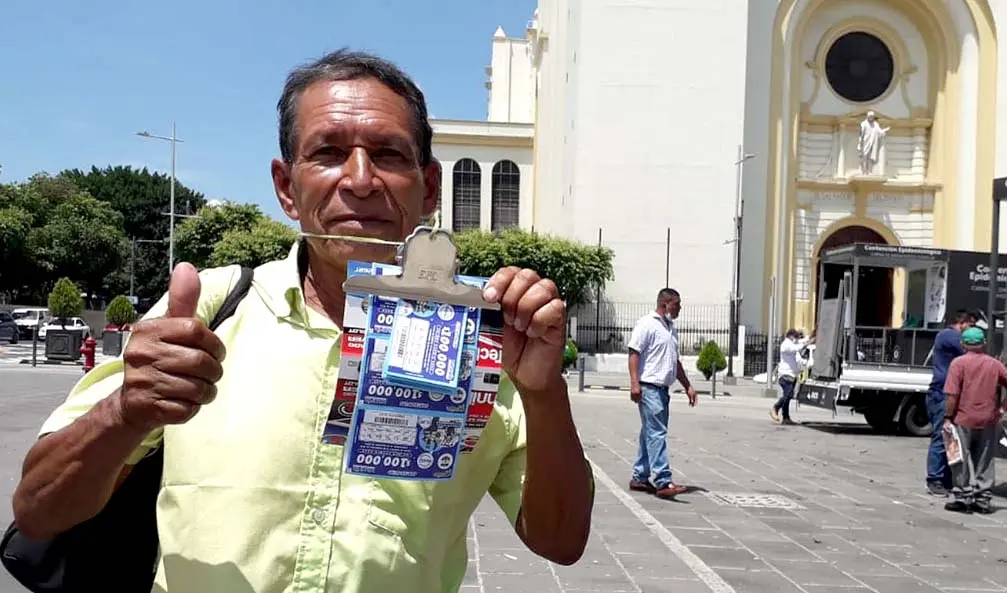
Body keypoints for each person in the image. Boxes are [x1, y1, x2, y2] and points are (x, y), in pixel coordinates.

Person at [11, 49, 594, 593]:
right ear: (287, 188)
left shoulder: (489, 337)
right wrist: (125, 411)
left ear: (430, 188)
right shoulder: (210, 311)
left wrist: (544, 393)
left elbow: (561, 543)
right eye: (328, 153)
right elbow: (39, 509)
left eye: (389, 154)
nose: (360, 179)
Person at [627, 288, 697, 500]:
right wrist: (634, 383)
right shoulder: (647, 324)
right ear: (666, 304)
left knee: (650, 432)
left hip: (663, 390)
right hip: (649, 387)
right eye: (677, 305)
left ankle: (640, 476)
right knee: (657, 432)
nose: (679, 309)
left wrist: (687, 385)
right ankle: (663, 480)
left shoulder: (669, 328)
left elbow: (675, 362)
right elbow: (634, 353)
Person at [941, 327, 1007, 514]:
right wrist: (1002, 408)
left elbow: (952, 395)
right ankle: (983, 499)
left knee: (959, 458)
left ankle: (962, 497)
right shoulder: (994, 364)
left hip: (962, 418)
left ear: (963, 344)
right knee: (985, 460)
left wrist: (947, 417)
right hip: (988, 419)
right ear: (983, 343)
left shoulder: (958, 364)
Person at [926, 310, 974, 496]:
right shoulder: (949, 335)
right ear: (962, 322)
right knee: (941, 436)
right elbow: (969, 348)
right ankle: (934, 479)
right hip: (942, 393)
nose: (971, 331)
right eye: (971, 325)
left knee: (949, 437)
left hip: (946, 392)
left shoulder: (947, 336)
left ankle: (945, 478)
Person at [770, 329, 812, 425]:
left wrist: (811, 337)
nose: (796, 339)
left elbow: (802, 341)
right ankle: (776, 407)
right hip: (785, 375)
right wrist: (808, 342)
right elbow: (796, 348)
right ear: (791, 336)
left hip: (792, 375)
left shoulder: (792, 343)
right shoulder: (786, 345)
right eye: (795, 337)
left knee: (787, 397)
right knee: (788, 395)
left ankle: (786, 418)